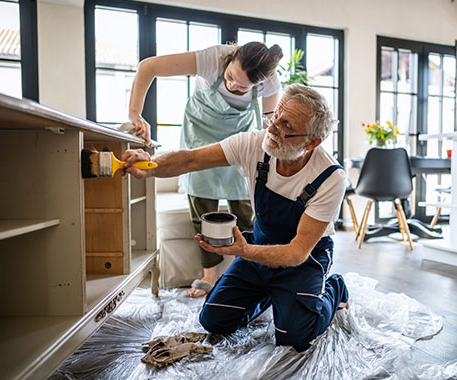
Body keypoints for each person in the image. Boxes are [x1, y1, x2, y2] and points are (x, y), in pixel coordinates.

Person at [121, 84, 349, 352]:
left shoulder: (330, 177)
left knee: (295, 338)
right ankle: (271, 293)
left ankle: (336, 287)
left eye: (285, 124)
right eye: (274, 115)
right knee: (214, 320)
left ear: (312, 142)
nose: (272, 127)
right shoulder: (255, 144)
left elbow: (298, 252)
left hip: (304, 259)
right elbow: (191, 160)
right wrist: (150, 165)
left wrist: (244, 251)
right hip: (260, 246)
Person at [127, 42, 284, 297]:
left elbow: (268, 125)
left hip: (238, 139)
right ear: (230, 59)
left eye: (243, 87)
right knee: (203, 208)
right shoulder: (212, 59)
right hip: (200, 133)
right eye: (231, 77)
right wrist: (135, 113)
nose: (233, 86)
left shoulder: (270, 82)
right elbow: (149, 66)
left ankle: (249, 273)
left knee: (246, 211)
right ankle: (208, 274)